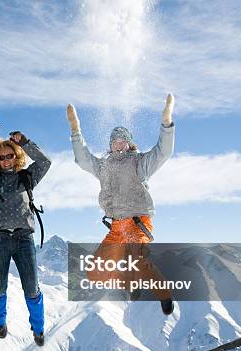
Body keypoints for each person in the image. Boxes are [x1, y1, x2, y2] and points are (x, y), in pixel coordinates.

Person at [66, 94, 176, 315]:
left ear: (129, 143)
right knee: (95, 273)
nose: (119, 145)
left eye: (123, 141)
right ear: (110, 144)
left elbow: (163, 152)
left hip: (138, 223)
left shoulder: (139, 163)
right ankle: (129, 282)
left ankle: (165, 295)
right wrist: (75, 131)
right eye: (115, 141)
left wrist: (166, 124)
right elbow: (83, 159)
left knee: (139, 261)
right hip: (117, 228)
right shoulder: (104, 166)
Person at [0, 116, 51, 346]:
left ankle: (39, 328)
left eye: (10, 155)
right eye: (0, 157)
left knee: (32, 289)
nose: (5, 160)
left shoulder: (27, 177)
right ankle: (0, 322)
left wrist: (25, 142)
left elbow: (44, 161)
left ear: (16, 156)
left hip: (24, 238)